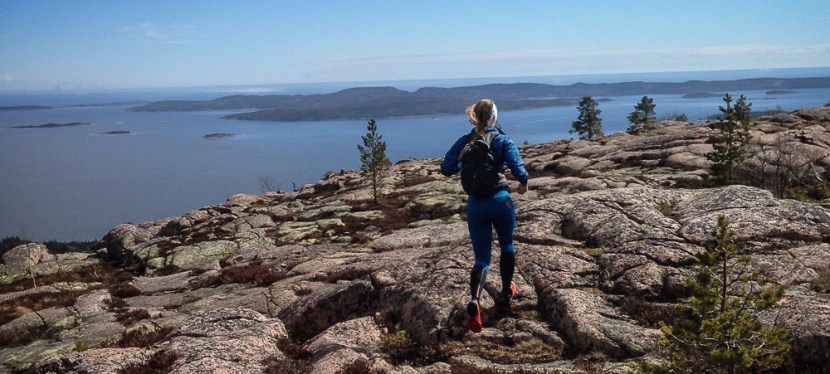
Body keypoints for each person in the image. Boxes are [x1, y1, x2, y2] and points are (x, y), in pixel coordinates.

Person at [440, 98, 529, 333]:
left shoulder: (465, 141)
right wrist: (523, 183)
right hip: (500, 201)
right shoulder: (501, 139)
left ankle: (475, 300)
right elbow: (518, 169)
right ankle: (507, 292)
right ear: (494, 117)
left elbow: (446, 168)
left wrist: (464, 160)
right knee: (507, 245)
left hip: (475, 206)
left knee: (482, 259)